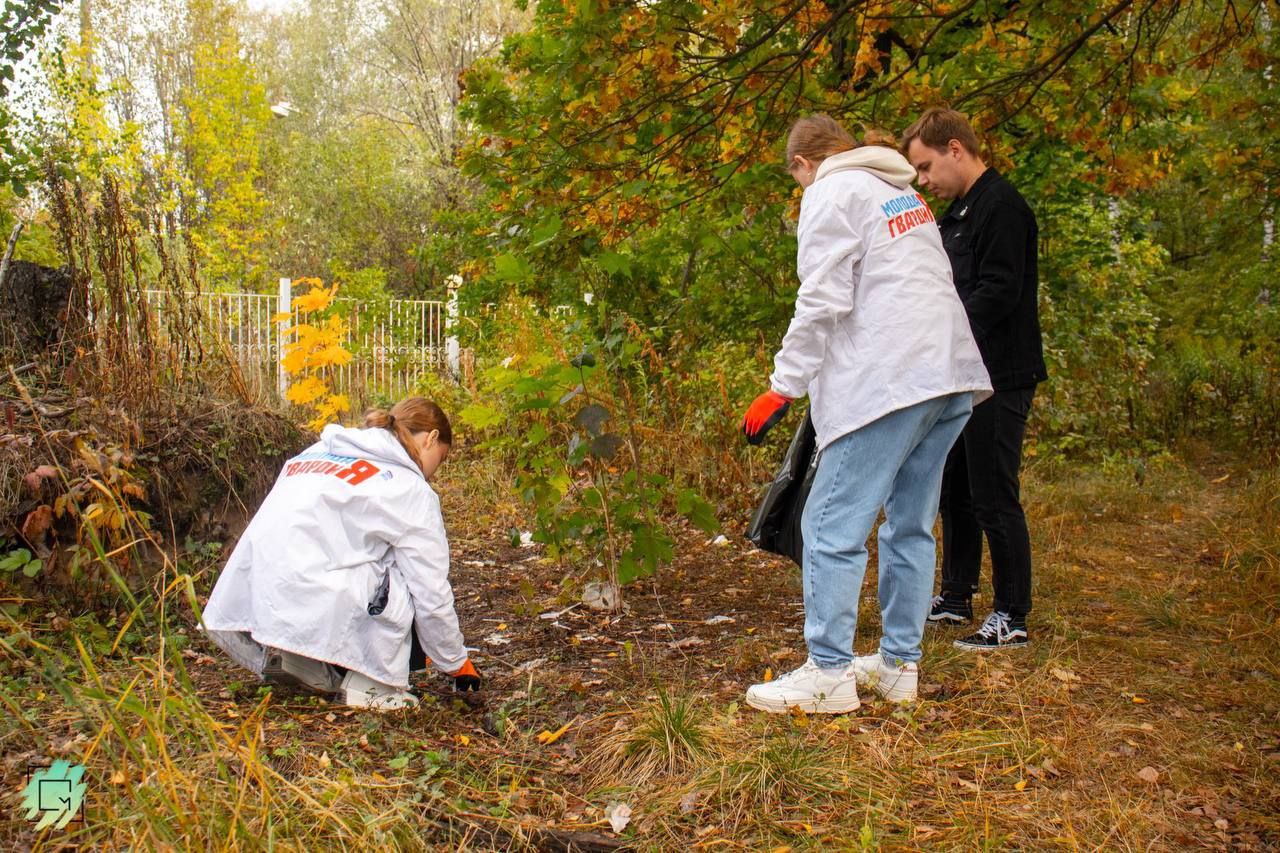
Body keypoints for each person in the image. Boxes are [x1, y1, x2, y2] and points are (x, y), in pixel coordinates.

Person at [740, 115, 992, 714]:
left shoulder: (831, 190)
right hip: (947, 376)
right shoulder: (900, 193)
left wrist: (782, 386)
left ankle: (827, 673)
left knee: (829, 526)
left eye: (797, 181)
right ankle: (899, 665)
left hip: (889, 380)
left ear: (804, 164)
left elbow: (823, 296)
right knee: (908, 523)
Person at [201, 397, 482, 710]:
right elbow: (430, 589)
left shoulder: (320, 451)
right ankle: (373, 685)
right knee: (404, 571)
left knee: (341, 555)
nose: (433, 474)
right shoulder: (410, 488)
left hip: (259, 589)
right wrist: (456, 662)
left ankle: (297, 656)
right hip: (311, 591)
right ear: (430, 438)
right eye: (439, 460)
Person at [902, 108, 1047, 651]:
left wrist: (942, 330)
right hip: (961, 374)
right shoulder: (958, 211)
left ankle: (1011, 613)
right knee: (955, 491)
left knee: (993, 494)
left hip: (1001, 374)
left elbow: (999, 291)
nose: (923, 180)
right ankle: (956, 596)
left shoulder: (1001, 208)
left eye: (926, 166)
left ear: (956, 149)